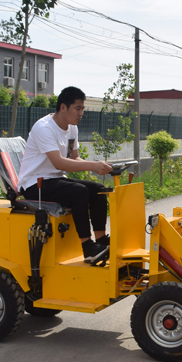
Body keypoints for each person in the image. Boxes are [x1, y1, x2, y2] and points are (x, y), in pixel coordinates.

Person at [17, 86, 112, 264]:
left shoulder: (71, 128)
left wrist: (100, 166)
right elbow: (59, 163)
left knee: (99, 189)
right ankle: (88, 247)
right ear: (63, 107)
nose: (81, 113)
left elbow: (74, 158)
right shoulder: (44, 128)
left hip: (55, 180)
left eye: (82, 109)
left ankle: (101, 241)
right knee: (78, 191)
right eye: (77, 108)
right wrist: (93, 166)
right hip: (34, 184)